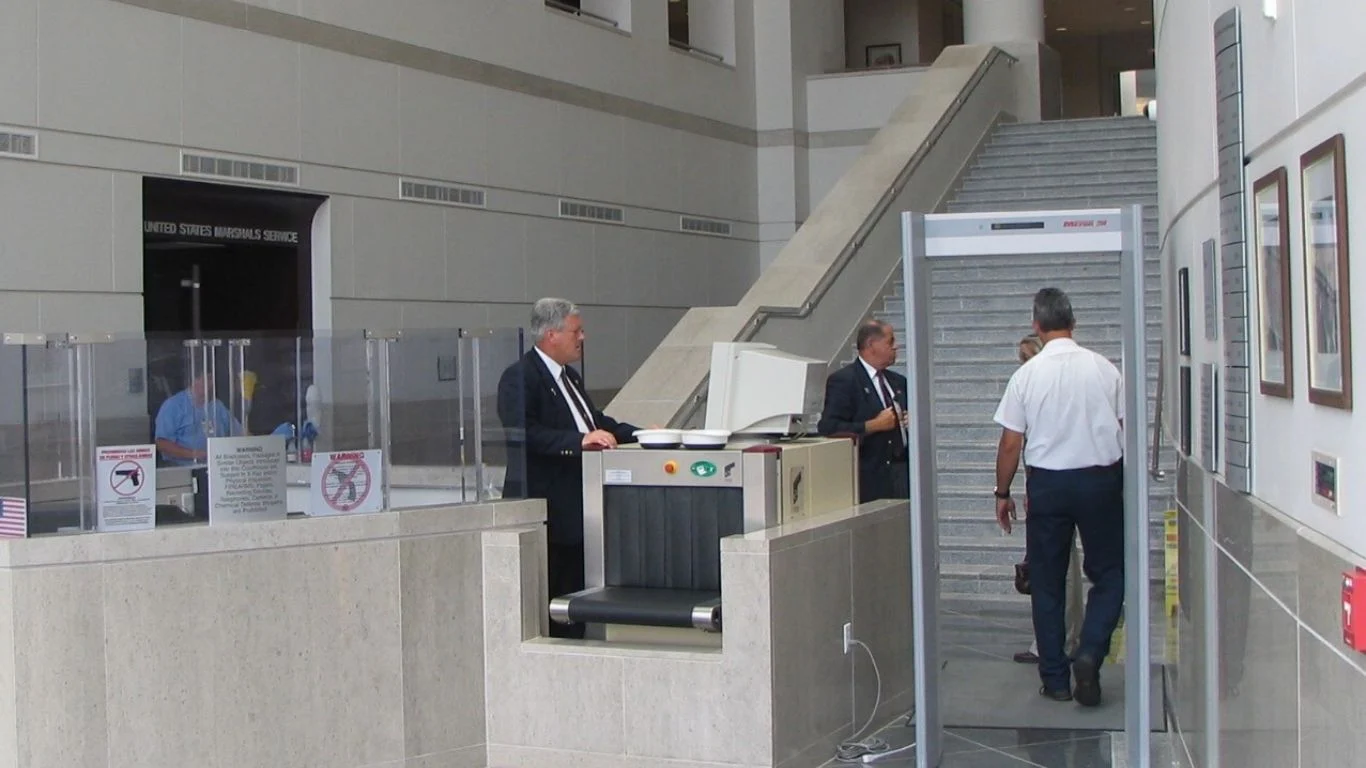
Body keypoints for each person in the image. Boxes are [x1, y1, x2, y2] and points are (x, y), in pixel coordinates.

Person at [992, 288, 1125, 707]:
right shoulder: (1104, 369)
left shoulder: (1027, 375)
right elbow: (1124, 426)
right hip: (1100, 479)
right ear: (1073, 322)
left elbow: (1010, 442)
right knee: (1109, 574)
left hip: (1048, 483)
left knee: (1048, 581)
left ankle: (1055, 678)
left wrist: (1002, 492)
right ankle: (1090, 652)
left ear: (1036, 324)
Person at [497, 297, 640, 639]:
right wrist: (578, 442)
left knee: (578, 598)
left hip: (580, 509)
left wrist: (642, 434)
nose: (582, 338)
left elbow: (595, 421)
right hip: (549, 510)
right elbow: (525, 432)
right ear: (552, 335)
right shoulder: (520, 377)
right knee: (555, 603)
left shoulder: (569, 377)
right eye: (576, 331)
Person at [1011, 334, 1085, 666]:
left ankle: (1058, 642)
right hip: (1064, 482)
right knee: (1063, 564)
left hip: (1053, 486)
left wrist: (1007, 491)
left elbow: (1017, 443)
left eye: (1026, 359)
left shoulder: (1039, 392)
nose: (1023, 367)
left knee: (1057, 567)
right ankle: (1066, 636)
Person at [817, 320, 910, 502]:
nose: (896, 347)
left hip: (901, 474)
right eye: (890, 341)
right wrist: (872, 425)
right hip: (870, 479)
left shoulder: (898, 382)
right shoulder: (845, 381)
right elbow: (829, 428)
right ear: (871, 345)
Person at [154, 374, 243, 466]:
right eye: (207, 379)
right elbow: (162, 443)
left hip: (219, 466)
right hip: (182, 469)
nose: (211, 383)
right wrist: (194, 454)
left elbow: (240, 433)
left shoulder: (217, 406)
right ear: (193, 380)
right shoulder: (173, 405)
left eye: (212, 379)